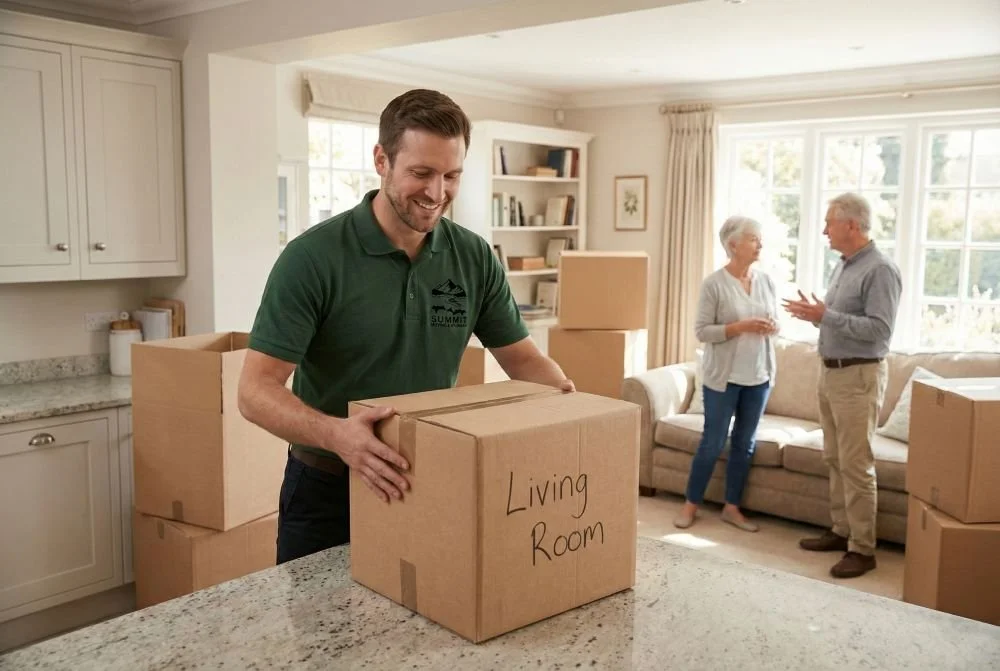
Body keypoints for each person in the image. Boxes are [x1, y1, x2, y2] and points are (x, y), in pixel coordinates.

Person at [237, 88, 574, 565]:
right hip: (328, 490)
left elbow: (522, 360)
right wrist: (337, 435)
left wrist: (572, 406)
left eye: (451, 175)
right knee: (319, 637)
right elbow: (254, 391)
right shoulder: (312, 259)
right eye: (421, 173)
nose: (437, 194)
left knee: (420, 630)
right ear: (381, 159)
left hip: (427, 480)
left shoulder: (473, 257)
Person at [782, 192, 901, 579]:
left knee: (856, 463)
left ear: (852, 225)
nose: (823, 230)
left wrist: (826, 315)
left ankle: (863, 549)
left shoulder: (880, 269)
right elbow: (840, 319)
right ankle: (841, 530)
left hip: (857, 377)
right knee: (833, 457)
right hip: (830, 373)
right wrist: (817, 317)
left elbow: (879, 331)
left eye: (829, 222)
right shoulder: (844, 266)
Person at [674, 215, 779, 533]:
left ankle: (732, 507)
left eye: (760, 239)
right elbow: (702, 332)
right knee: (712, 442)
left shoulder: (766, 282)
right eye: (753, 238)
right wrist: (740, 327)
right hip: (723, 378)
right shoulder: (714, 284)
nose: (759, 244)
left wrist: (772, 327)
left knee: (745, 444)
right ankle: (691, 504)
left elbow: (774, 324)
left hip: (758, 377)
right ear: (733, 244)